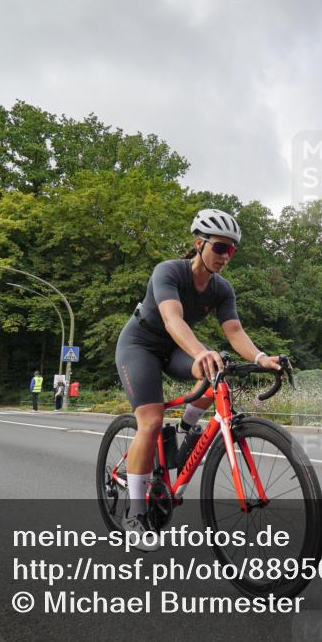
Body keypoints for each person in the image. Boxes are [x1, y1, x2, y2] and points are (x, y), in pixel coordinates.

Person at [115, 208, 281, 550]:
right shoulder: (169, 271)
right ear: (199, 243)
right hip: (141, 344)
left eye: (231, 250)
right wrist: (200, 350)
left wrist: (262, 358)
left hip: (176, 348)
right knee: (150, 420)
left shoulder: (222, 289)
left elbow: (235, 331)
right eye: (220, 248)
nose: (226, 256)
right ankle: (135, 512)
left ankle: (185, 428)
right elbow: (173, 319)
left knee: (218, 368)